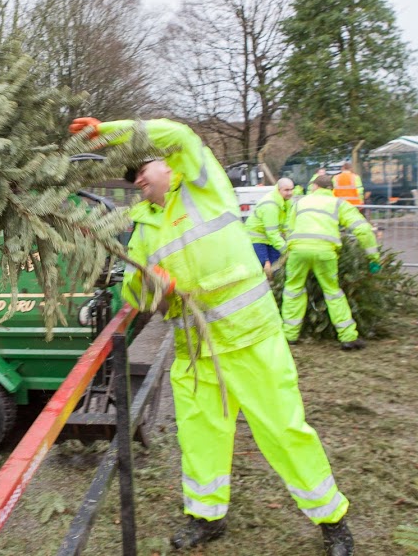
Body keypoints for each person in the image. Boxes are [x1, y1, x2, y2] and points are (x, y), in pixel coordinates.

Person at [69, 117, 353, 556]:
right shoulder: (142, 228)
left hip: (252, 339)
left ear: (167, 164)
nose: (137, 177)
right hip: (196, 351)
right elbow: (136, 294)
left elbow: (179, 135)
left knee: (284, 430)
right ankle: (206, 516)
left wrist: (109, 132)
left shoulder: (203, 183)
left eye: (143, 166)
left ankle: (332, 520)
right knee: (200, 439)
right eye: (130, 176)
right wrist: (154, 287)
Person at [282, 175, 379, 351]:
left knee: (293, 290)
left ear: (315, 186)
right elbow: (363, 229)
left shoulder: (300, 202)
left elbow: (289, 228)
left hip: (298, 251)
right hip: (325, 252)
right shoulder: (337, 203)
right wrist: (373, 257)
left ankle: (289, 335)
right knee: (332, 292)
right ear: (330, 189)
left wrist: (291, 248)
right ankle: (348, 337)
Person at [246, 178, 295, 276]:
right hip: (257, 239)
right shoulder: (270, 205)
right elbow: (272, 233)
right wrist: (286, 250)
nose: (290, 193)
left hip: (271, 239)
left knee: (275, 268)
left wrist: (291, 243)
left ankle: (271, 285)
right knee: (264, 267)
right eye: (286, 190)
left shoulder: (288, 202)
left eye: (291, 189)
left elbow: (286, 227)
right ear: (278, 190)